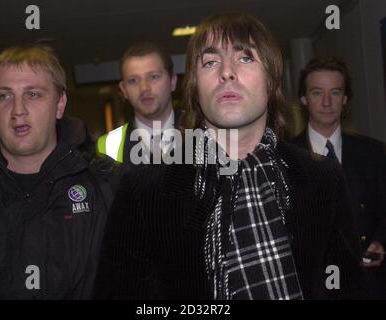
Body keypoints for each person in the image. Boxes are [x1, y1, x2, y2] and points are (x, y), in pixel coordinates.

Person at [94, 12, 364, 300]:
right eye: (210, 62)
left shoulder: (322, 178)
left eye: (245, 58)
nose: (226, 72)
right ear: (195, 88)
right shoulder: (144, 192)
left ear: (272, 81)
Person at [0, 44, 118, 299]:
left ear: (59, 104)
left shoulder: (107, 185)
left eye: (33, 94)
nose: (18, 110)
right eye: (4, 96)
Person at [290, 56, 386, 298]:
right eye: (316, 93)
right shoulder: (282, 158)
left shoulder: (374, 153)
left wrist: (380, 242)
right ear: (303, 99)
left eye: (335, 93)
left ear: (345, 100)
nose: (326, 102)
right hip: (308, 288)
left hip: (367, 286)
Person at [96, 42, 180, 165]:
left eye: (154, 77)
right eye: (133, 80)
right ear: (124, 90)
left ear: (172, 81)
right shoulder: (109, 145)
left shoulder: (203, 132)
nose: (144, 88)